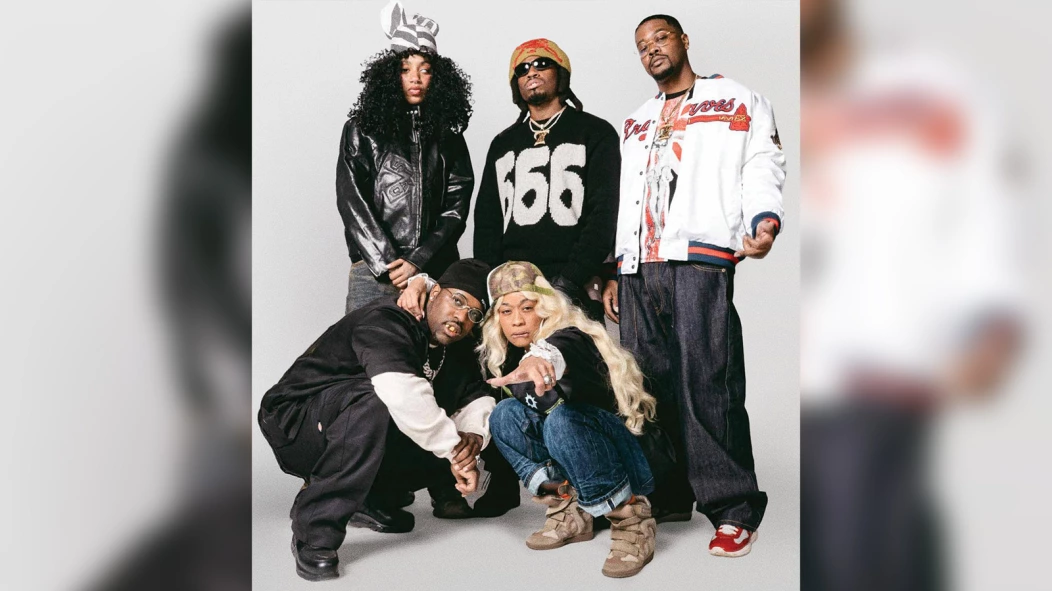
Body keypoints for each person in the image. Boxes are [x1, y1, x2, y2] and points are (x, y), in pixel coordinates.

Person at [602, 14, 786, 557]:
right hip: (639, 268)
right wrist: (617, 266)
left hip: (700, 259)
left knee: (708, 381)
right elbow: (625, 198)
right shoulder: (636, 120)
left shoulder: (736, 99)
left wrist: (764, 219)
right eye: (641, 46)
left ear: (684, 41)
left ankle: (733, 509)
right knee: (648, 387)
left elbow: (762, 162)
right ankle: (672, 493)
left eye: (660, 38)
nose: (652, 51)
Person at [257, 259, 495, 581]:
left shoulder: (456, 347)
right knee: (382, 402)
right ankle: (314, 531)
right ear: (434, 291)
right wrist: (454, 450)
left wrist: (472, 441)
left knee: (434, 417)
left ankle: (366, 498)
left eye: (474, 314)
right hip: (296, 421)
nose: (461, 317)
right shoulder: (387, 319)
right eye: (457, 301)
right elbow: (400, 393)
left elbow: (477, 394)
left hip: (351, 425)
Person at [482, 261, 661, 578]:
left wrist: (543, 357)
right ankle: (568, 508)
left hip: (630, 469)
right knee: (504, 415)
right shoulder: (508, 358)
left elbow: (563, 349)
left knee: (563, 419)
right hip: (580, 475)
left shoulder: (574, 337)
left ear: (547, 307)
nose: (517, 320)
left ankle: (632, 518)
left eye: (527, 307)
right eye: (506, 311)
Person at [337, 0, 474, 314]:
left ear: (437, 79)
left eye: (425, 70)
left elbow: (456, 209)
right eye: (405, 69)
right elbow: (352, 200)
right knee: (365, 357)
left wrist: (418, 260)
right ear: (389, 76)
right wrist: (388, 262)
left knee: (434, 360)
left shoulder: (449, 137)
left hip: (434, 272)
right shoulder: (361, 129)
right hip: (374, 272)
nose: (415, 78)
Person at [471, 38, 621, 321]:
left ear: (561, 73)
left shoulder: (596, 132)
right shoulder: (503, 143)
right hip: (514, 290)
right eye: (522, 69)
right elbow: (487, 222)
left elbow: (604, 214)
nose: (532, 72)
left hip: (575, 285)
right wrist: (498, 288)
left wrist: (569, 281)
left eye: (542, 64)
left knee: (575, 362)